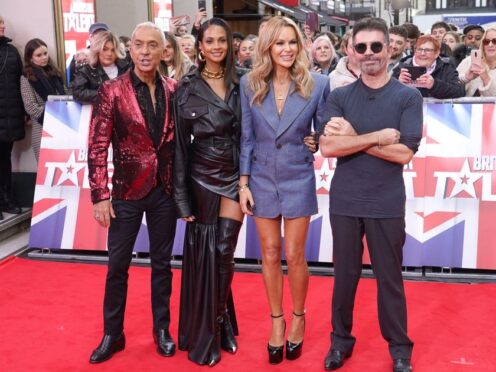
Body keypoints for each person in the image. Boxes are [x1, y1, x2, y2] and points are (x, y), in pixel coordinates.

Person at [319, 17, 422, 372]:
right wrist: (376, 136)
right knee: (343, 277)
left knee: (389, 280)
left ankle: (399, 349)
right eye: (361, 47)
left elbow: (403, 153)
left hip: (386, 202)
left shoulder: (408, 97)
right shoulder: (339, 96)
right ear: (351, 51)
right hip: (345, 202)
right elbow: (329, 147)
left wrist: (354, 137)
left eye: (376, 46)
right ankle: (339, 343)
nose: (369, 54)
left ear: (389, 49)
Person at [239, 16, 329, 365]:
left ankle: (299, 316)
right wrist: (243, 183)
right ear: (267, 47)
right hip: (260, 177)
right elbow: (246, 137)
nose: (287, 49)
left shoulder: (317, 84)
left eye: (292, 42)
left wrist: (316, 140)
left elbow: (323, 131)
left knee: (294, 254)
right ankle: (277, 321)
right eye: (280, 43)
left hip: (297, 175)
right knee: (271, 252)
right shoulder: (250, 83)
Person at [87, 22, 178, 364]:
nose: (144, 51)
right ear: (130, 49)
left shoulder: (173, 88)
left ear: (162, 50)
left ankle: (162, 329)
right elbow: (97, 145)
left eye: (151, 45)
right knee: (117, 266)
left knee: (162, 265)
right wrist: (100, 194)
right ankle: (113, 333)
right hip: (125, 192)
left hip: (164, 191)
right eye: (138, 44)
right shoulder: (111, 91)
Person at [174, 18, 242, 367]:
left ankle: (218, 321)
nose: (216, 46)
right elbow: (179, 150)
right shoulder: (185, 88)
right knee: (210, 254)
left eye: (222, 40)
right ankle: (221, 322)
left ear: (230, 44)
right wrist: (181, 197)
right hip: (201, 175)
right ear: (199, 45)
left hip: (235, 175)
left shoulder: (243, 81)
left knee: (225, 250)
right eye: (209, 41)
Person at [20, 38, 66, 161]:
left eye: (45, 53)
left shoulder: (55, 72)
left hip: (63, 126)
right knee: (45, 171)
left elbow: (64, 95)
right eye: (39, 55)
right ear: (30, 58)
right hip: (42, 128)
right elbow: (30, 106)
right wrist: (54, 112)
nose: (44, 57)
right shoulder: (27, 77)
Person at [0, 15, 24, 220]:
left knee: (5, 160)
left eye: (2, 23)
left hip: (8, 116)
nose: (3, 26)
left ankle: (6, 200)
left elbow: (19, 84)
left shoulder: (12, 51)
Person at [393, 35, 465, 99]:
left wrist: (434, 85)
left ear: (436, 53)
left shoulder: (446, 68)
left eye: (427, 50)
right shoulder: (401, 67)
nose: (422, 53)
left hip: (437, 112)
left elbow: (459, 91)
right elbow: (387, 94)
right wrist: (399, 84)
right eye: (419, 49)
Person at [72, 31, 129, 104]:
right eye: (105, 49)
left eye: (113, 50)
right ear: (97, 50)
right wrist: (106, 94)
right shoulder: (86, 69)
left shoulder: (125, 67)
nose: (109, 54)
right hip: (98, 113)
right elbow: (78, 93)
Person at [457, 27, 496, 97]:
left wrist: (486, 78)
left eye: (495, 41)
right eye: (486, 41)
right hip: (465, 107)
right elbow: (450, 85)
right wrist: (466, 78)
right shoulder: (468, 61)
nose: (490, 45)